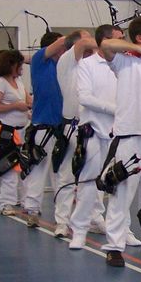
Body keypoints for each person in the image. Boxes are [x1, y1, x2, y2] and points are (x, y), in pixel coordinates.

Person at [98, 17, 141, 267]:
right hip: (131, 135)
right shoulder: (123, 60)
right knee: (123, 193)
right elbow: (105, 44)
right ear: (139, 38)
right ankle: (114, 246)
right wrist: (137, 49)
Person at [23, 30, 94, 228]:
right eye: (61, 46)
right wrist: (81, 38)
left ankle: (62, 216)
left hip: (63, 126)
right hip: (43, 125)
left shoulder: (69, 65)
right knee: (39, 169)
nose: (64, 48)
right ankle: (32, 210)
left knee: (62, 174)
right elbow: (65, 41)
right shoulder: (40, 61)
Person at [67, 25, 122, 250]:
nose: (122, 43)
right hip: (94, 131)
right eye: (118, 39)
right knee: (89, 182)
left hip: (119, 132)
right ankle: (79, 229)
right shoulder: (87, 64)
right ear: (105, 41)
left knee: (120, 183)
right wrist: (114, 109)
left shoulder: (124, 64)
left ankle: (121, 230)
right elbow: (85, 97)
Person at [52, 30, 97, 238]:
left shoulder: (93, 65)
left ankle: (92, 219)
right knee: (67, 177)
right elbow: (82, 45)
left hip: (92, 127)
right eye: (86, 37)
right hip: (72, 126)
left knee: (93, 176)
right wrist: (109, 43)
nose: (89, 40)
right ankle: (62, 221)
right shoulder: (67, 61)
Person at [0, 49, 33, 215]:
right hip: (7, 131)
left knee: (24, 167)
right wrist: (15, 106)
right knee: (9, 168)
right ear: (11, 65)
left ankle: (25, 200)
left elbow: (28, 100)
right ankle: (5, 202)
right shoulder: (1, 83)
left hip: (22, 129)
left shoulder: (19, 82)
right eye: (19, 64)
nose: (22, 67)